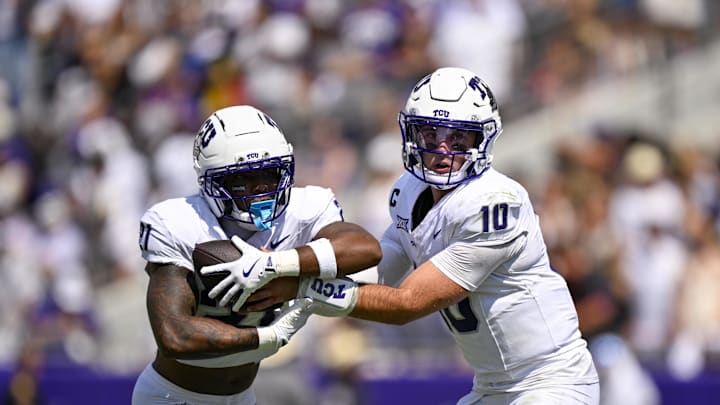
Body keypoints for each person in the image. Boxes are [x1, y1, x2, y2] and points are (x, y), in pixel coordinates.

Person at [246, 67, 601, 404]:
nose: (442, 149)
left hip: (550, 379)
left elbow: (407, 303)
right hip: (493, 385)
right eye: (431, 134)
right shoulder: (408, 192)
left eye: (458, 137)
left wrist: (305, 288)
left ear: (484, 138)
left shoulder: (495, 203)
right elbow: (379, 271)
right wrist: (294, 267)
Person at [131, 105, 382, 405]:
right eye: (243, 179)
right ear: (211, 181)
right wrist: (269, 338)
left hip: (243, 396)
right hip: (175, 397)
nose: (261, 190)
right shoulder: (179, 222)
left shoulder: (303, 209)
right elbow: (175, 336)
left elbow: (365, 249)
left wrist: (274, 264)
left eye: (270, 174)